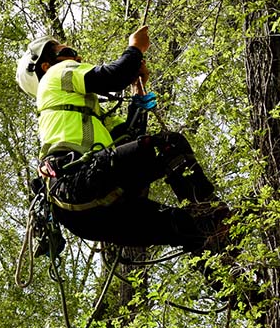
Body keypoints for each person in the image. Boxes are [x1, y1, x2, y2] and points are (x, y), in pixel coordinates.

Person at [16, 25, 228, 251]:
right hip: (79, 180)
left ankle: (227, 266)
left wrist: (138, 89)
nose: (76, 55)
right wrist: (135, 48)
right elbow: (112, 77)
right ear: (46, 66)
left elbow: (132, 140)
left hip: (82, 215)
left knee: (189, 229)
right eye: (65, 50)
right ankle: (214, 216)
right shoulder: (55, 74)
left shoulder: (86, 113)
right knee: (169, 144)